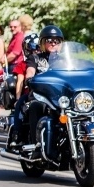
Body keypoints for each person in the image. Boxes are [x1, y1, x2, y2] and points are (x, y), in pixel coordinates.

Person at [23, 25, 65, 153]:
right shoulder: (35, 58)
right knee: (36, 106)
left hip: (60, 97)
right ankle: (36, 144)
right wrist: (30, 78)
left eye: (56, 40)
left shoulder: (65, 60)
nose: (53, 43)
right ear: (42, 42)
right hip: (40, 96)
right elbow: (30, 71)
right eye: (49, 40)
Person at [9, 33, 40, 147]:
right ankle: (17, 134)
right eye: (31, 48)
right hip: (30, 94)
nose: (34, 51)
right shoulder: (23, 64)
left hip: (44, 94)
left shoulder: (46, 62)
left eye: (36, 48)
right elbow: (20, 82)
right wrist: (18, 98)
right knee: (20, 105)